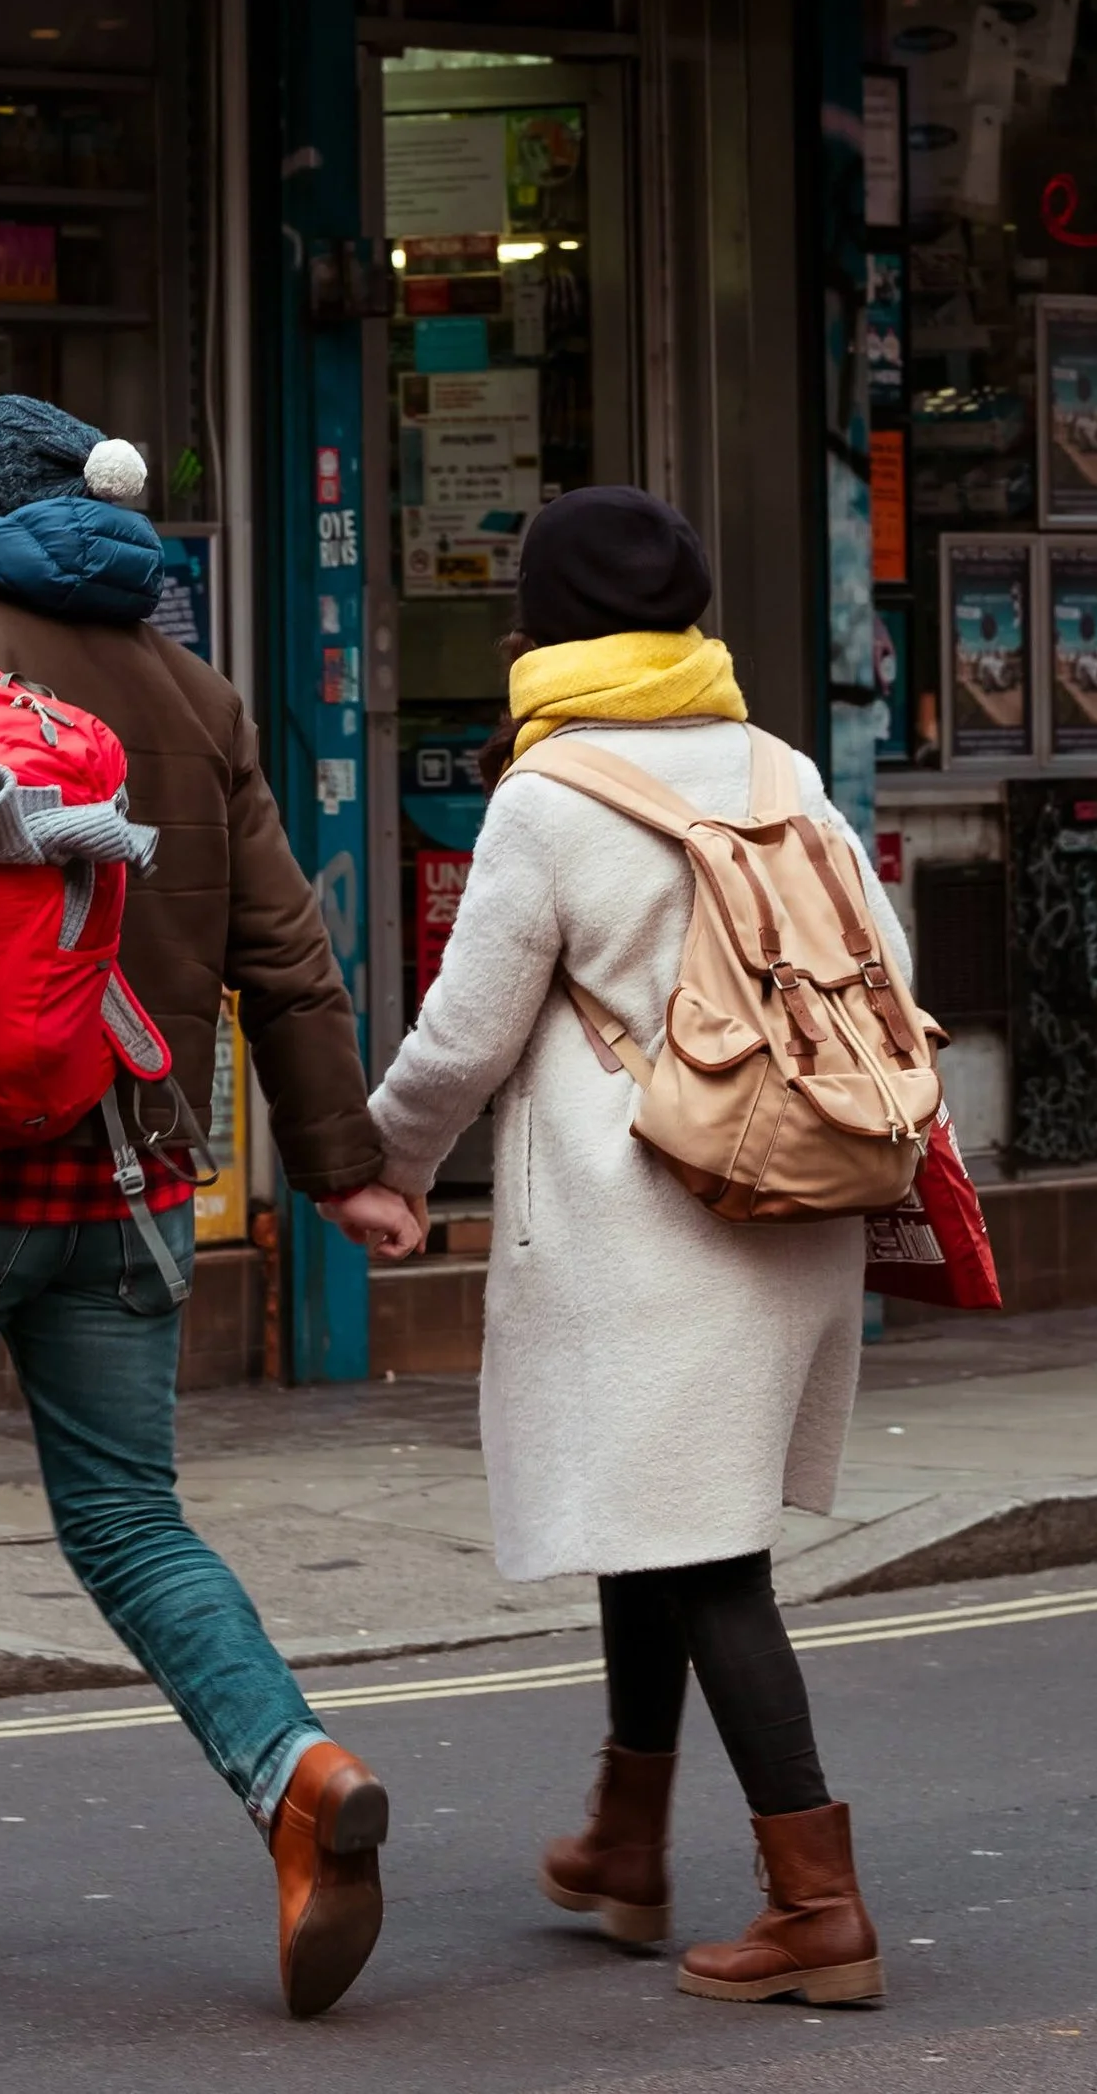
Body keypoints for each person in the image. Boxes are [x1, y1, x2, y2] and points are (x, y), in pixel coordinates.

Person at [0, 393, 419, 2010]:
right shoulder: (196, 691)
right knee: (129, 1520)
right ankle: (299, 1776)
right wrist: (346, 1171)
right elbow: (284, 955)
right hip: (131, 1182)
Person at [365, 486, 912, 2009]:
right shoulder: (779, 767)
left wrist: (380, 1163)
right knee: (654, 1512)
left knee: (708, 1556)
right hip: (790, 1208)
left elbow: (462, 1037)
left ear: (539, 623)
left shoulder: (550, 796)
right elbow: (890, 968)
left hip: (648, 1230)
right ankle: (623, 1839)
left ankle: (819, 1905)